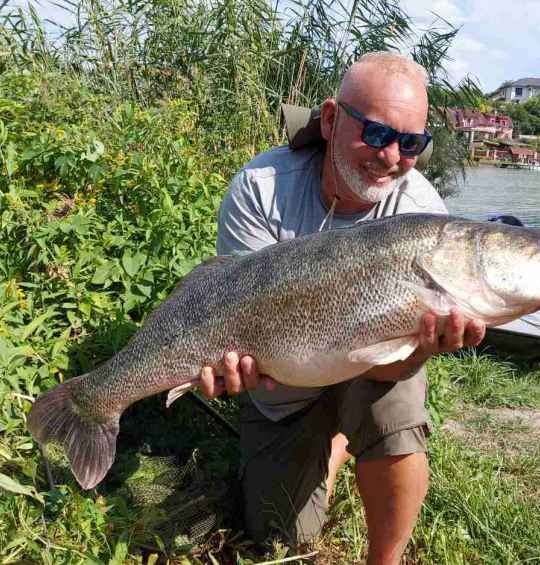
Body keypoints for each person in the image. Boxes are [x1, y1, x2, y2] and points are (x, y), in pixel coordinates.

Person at [197, 51, 487, 565]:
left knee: (395, 406)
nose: (391, 156)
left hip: (369, 365)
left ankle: (386, 559)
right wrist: (226, 366)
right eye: (375, 134)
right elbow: (230, 307)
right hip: (281, 385)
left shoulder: (422, 214)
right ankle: (331, 446)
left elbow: (394, 368)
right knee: (278, 540)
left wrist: (421, 351)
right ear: (330, 120)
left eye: (412, 143)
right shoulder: (261, 188)